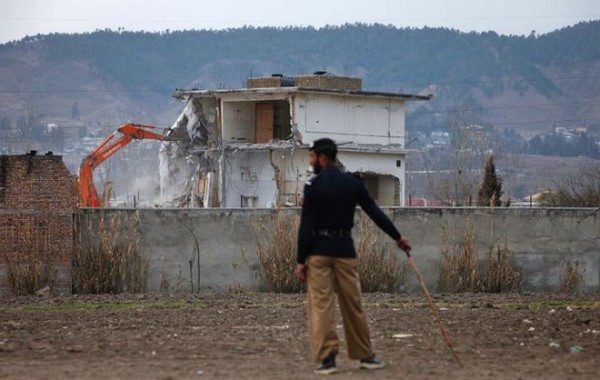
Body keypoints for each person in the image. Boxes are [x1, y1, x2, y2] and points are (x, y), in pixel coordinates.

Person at [295, 138, 411, 375]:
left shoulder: (312, 186)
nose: (311, 162)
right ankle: (366, 355)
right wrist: (398, 238)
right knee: (353, 304)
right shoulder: (353, 184)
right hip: (345, 251)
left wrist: (300, 260)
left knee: (321, 306)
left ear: (323, 158)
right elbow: (375, 213)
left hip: (318, 253)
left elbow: (306, 226)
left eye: (312, 157)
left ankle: (328, 360)